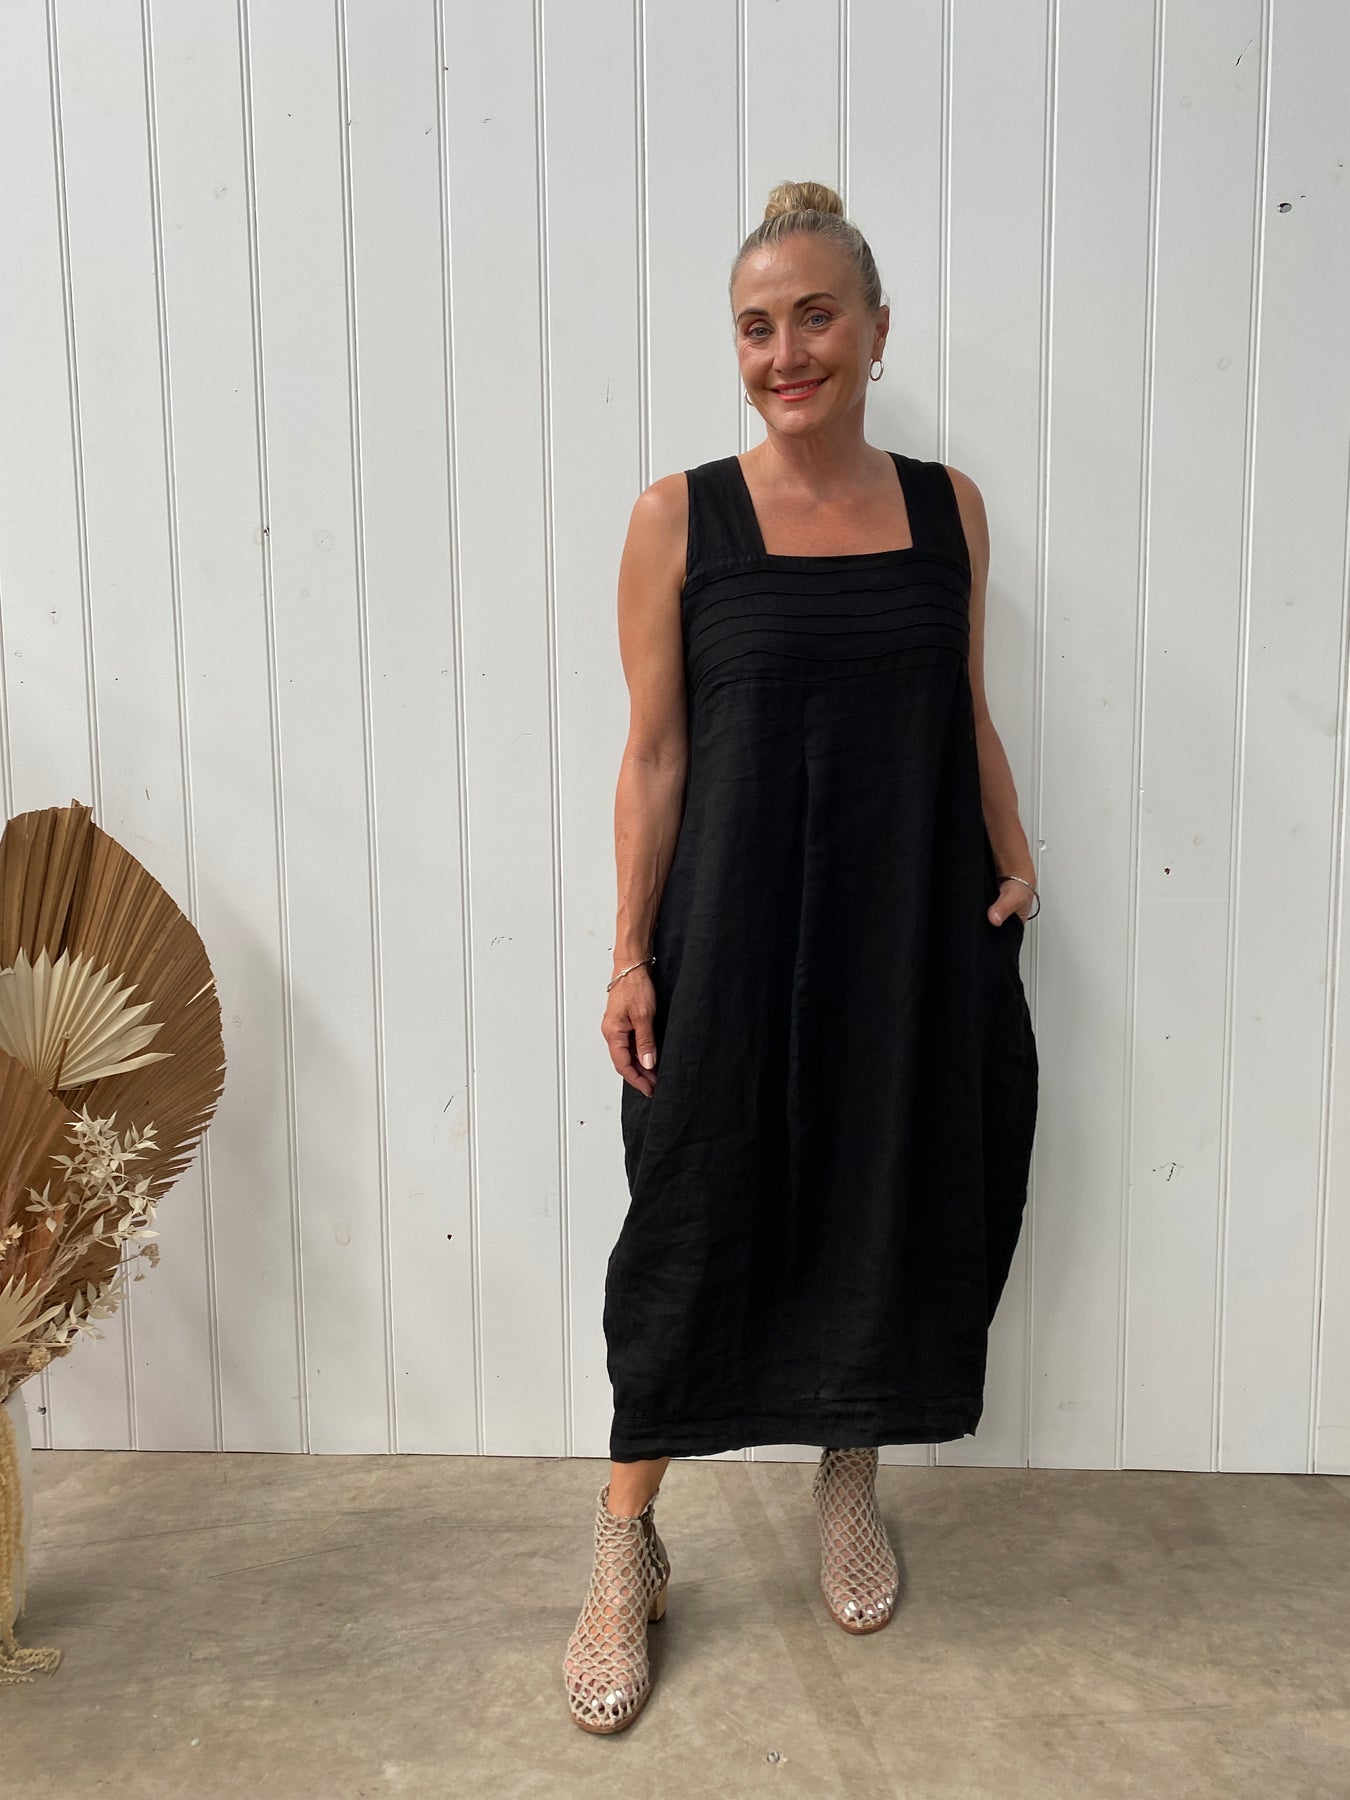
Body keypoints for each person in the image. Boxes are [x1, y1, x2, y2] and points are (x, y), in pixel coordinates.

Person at [563, 180, 1039, 1734]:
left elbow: (962, 708)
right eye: (756, 326)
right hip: (730, 933)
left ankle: (850, 1480)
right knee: (688, 1222)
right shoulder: (677, 517)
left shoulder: (948, 508)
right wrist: (628, 954)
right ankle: (625, 1541)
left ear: (876, 332)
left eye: (816, 316)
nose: (786, 352)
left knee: (886, 1191)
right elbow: (653, 756)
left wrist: (1014, 855)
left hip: (910, 925)